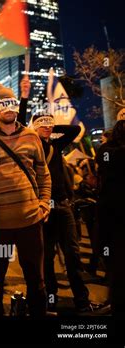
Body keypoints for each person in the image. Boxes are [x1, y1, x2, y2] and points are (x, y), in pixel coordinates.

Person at [0, 82, 51, 316]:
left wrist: (44, 204)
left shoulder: (32, 137)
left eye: (12, 104)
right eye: (3, 105)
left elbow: (44, 174)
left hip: (31, 223)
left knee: (36, 280)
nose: (10, 109)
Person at [30, 112, 103, 313]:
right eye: (42, 124)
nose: (47, 127)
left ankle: (82, 301)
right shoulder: (31, 148)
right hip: (42, 207)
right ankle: (50, 301)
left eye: (49, 124)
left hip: (63, 206)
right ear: (33, 127)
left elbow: (75, 130)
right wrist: (34, 132)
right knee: (47, 259)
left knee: (73, 255)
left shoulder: (56, 145)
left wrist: (53, 127)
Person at [96, 120, 125, 316]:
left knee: (115, 263)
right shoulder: (110, 152)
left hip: (110, 214)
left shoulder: (106, 152)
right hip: (114, 214)